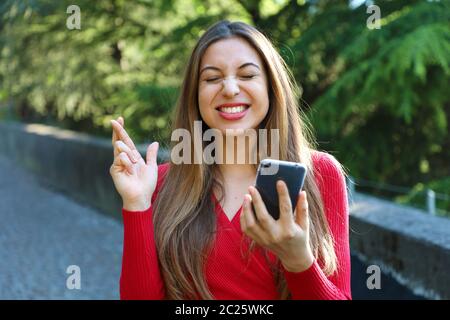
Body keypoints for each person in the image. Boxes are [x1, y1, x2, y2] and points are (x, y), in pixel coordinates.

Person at [110, 20, 351, 300]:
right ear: (195, 95)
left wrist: (299, 262)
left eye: (247, 75)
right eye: (212, 78)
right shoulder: (159, 182)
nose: (230, 88)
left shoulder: (319, 174)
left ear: (272, 87)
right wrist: (137, 204)